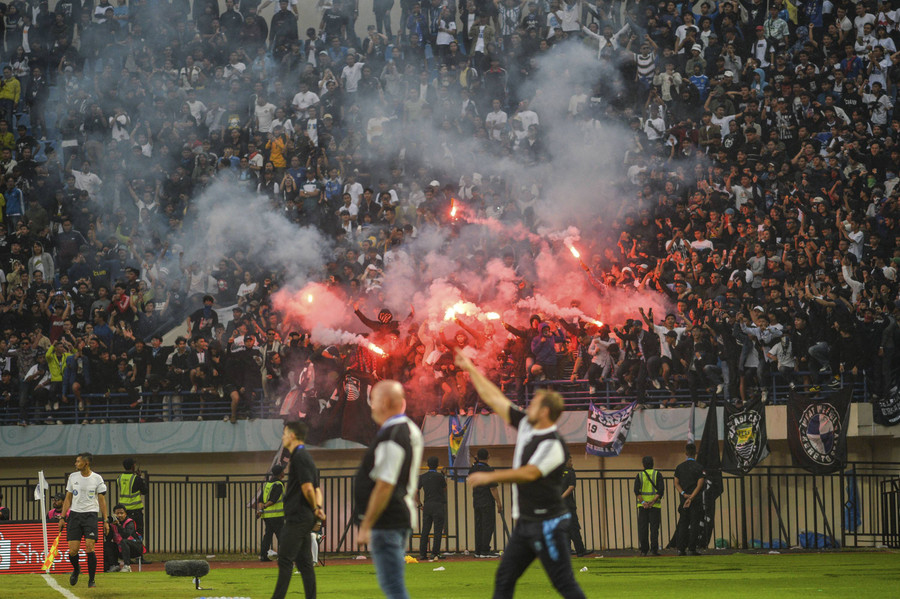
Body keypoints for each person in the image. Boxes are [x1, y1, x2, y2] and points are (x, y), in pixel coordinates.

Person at [456, 350, 586, 599]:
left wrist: (490, 477)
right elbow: (495, 399)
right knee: (504, 578)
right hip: (526, 523)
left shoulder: (554, 443)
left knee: (564, 584)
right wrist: (471, 370)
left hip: (547, 523)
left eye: (535, 403)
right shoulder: (527, 424)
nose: (529, 405)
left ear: (546, 411)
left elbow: (531, 473)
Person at [355, 380, 424, 599]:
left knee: (393, 587)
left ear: (385, 402)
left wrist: (366, 524)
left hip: (388, 521)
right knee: (392, 585)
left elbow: (385, 484)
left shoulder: (393, 434)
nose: (371, 406)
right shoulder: (407, 429)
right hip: (395, 518)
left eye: (373, 400)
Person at [270, 421, 324, 599]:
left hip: (297, 518)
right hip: (305, 516)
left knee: (285, 560)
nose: (283, 437)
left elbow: (308, 488)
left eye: (285, 433)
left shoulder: (300, 457)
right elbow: (317, 489)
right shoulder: (307, 458)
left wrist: (315, 508)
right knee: (305, 564)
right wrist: (318, 509)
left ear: (292, 435)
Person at [59, 452, 110, 588]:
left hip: (91, 516)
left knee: (89, 547)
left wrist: (105, 520)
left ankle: (91, 580)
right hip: (75, 516)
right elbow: (68, 498)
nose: (75, 464)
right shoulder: (72, 477)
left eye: (78, 461)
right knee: (73, 550)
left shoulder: (97, 478)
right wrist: (63, 517)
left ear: (86, 463)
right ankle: (76, 569)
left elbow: (102, 500)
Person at [674, 443, 706, 556]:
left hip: (684, 500)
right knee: (694, 524)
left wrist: (684, 494)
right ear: (695, 452)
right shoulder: (699, 467)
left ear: (686, 453)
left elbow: (676, 483)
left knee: (683, 523)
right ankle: (692, 549)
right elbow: (700, 484)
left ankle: (680, 549)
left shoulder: (680, 467)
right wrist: (692, 497)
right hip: (695, 500)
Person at [470, 448, 502, 558]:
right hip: (487, 501)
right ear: (488, 456)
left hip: (477, 501)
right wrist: (498, 502)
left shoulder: (473, 469)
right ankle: (485, 550)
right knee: (488, 525)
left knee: (478, 526)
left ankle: (478, 550)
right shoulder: (489, 470)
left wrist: (476, 463)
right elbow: (493, 488)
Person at [416, 456, 446, 561]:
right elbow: (444, 489)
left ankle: (422, 554)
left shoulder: (422, 477)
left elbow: (415, 491)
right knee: (438, 530)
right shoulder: (440, 477)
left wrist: (419, 504)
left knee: (425, 530)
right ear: (437, 465)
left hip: (427, 505)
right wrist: (444, 476)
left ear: (427, 465)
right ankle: (435, 553)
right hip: (438, 505)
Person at [634, 455, 664, 556]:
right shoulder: (657, 474)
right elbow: (661, 490)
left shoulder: (639, 475)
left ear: (643, 465)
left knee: (643, 528)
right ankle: (654, 550)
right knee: (654, 529)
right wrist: (653, 501)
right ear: (653, 464)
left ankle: (644, 550)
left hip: (643, 507)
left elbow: (636, 491)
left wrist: (643, 502)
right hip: (654, 506)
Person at [117, 458, 148, 552]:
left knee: (125, 534)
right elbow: (145, 491)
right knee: (138, 533)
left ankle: (126, 555)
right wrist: (141, 477)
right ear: (133, 466)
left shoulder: (119, 478)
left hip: (123, 511)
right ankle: (139, 556)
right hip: (135, 510)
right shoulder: (136, 478)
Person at [561, 456, 590, 557]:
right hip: (568, 505)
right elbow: (571, 487)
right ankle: (580, 550)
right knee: (574, 527)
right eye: (570, 460)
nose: (572, 463)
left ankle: (567, 550)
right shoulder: (571, 472)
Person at [258, 464, 285, 562]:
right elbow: (273, 499)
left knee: (268, 536)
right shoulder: (279, 484)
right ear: (280, 473)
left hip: (267, 516)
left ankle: (263, 556)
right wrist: (265, 506)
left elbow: (260, 499)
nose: (284, 472)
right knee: (281, 536)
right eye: (283, 471)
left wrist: (261, 510)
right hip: (277, 515)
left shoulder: (267, 484)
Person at [108, 503, 144, 572]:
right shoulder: (112, 524)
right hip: (121, 549)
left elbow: (125, 535)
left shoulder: (130, 522)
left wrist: (118, 525)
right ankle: (114, 565)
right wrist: (107, 526)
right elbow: (109, 538)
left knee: (124, 541)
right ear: (114, 514)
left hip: (135, 549)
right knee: (108, 544)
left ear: (125, 514)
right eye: (117, 513)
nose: (119, 515)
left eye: (121, 513)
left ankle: (127, 566)